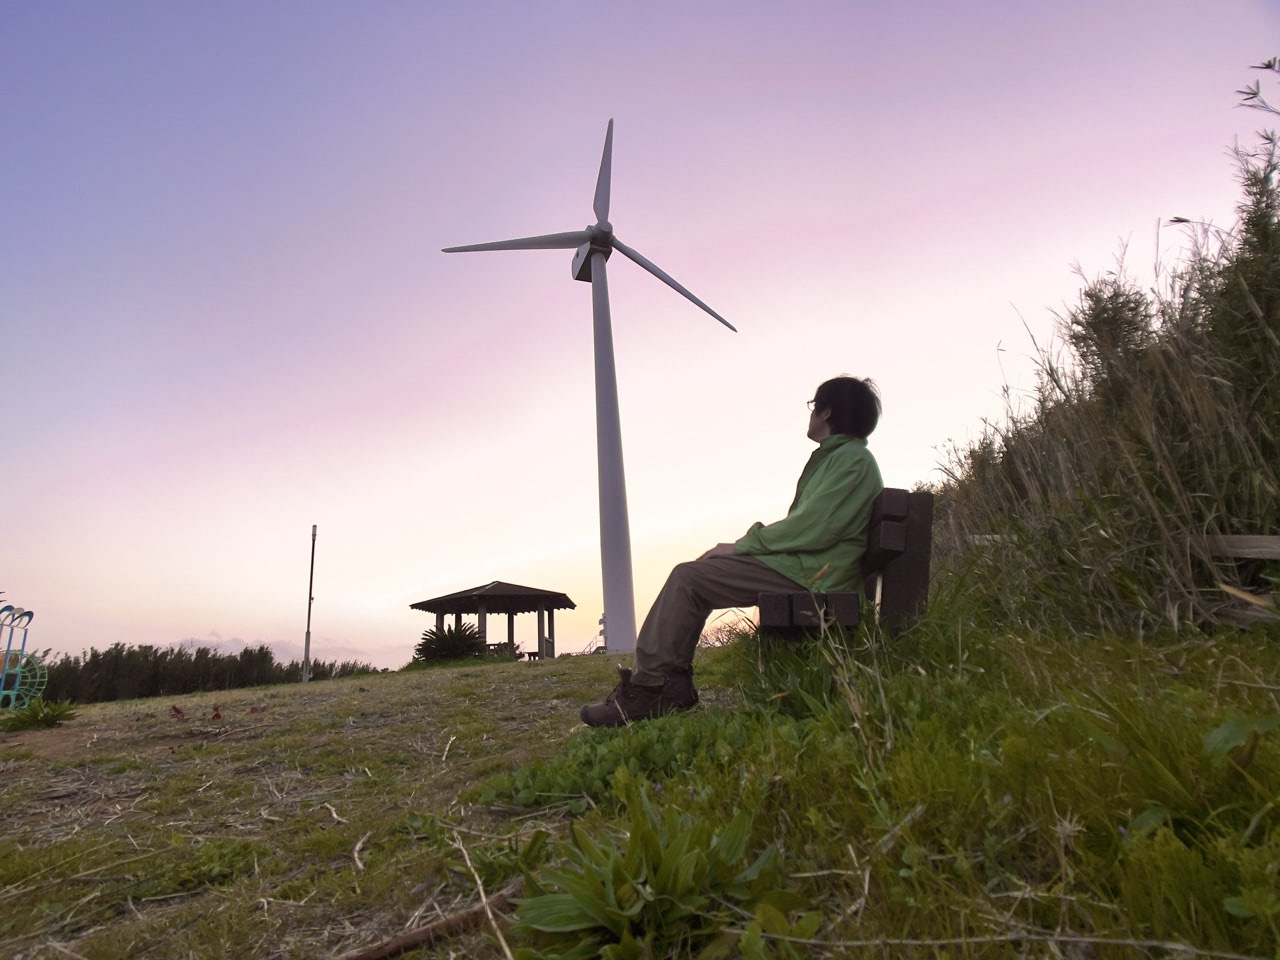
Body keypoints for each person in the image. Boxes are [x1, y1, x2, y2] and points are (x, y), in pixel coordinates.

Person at [580, 375, 884, 727]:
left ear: (826, 410)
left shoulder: (852, 461)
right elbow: (814, 527)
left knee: (688, 579)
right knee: (692, 577)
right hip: (807, 568)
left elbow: (813, 527)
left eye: (814, 406)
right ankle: (667, 685)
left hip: (813, 576)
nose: (811, 414)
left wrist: (742, 546)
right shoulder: (842, 459)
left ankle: (652, 689)